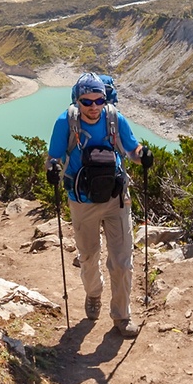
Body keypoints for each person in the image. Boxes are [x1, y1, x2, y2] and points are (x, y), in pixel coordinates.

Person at [45, 73, 153, 337]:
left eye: (99, 100)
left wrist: (144, 155)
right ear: (77, 101)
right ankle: (94, 293)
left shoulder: (115, 119)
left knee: (122, 261)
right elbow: (53, 157)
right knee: (89, 256)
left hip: (116, 199)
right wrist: (52, 168)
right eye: (86, 101)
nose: (93, 106)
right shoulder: (65, 123)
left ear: (105, 99)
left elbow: (132, 150)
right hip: (82, 201)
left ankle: (122, 314)